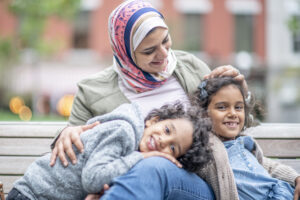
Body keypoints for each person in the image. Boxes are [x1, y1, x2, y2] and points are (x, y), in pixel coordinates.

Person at [50, 0, 245, 199]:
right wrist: (67, 133)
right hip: (130, 184)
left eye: (165, 40)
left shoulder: (191, 67)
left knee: (154, 165)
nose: (163, 54)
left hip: (194, 184)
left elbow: (231, 125)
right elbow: (77, 152)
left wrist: (239, 95)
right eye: (149, 51)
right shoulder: (92, 91)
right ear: (124, 51)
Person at [7, 102, 213, 200]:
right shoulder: (123, 131)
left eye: (172, 148)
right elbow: (92, 178)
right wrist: (142, 156)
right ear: (153, 120)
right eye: (167, 130)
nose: (163, 141)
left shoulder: (132, 141)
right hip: (31, 195)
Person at [191, 76, 300, 200]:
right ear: (204, 113)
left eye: (238, 107)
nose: (233, 113)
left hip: (285, 193)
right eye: (222, 107)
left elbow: (270, 167)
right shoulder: (208, 148)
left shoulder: (243, 144)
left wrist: (296, 178)